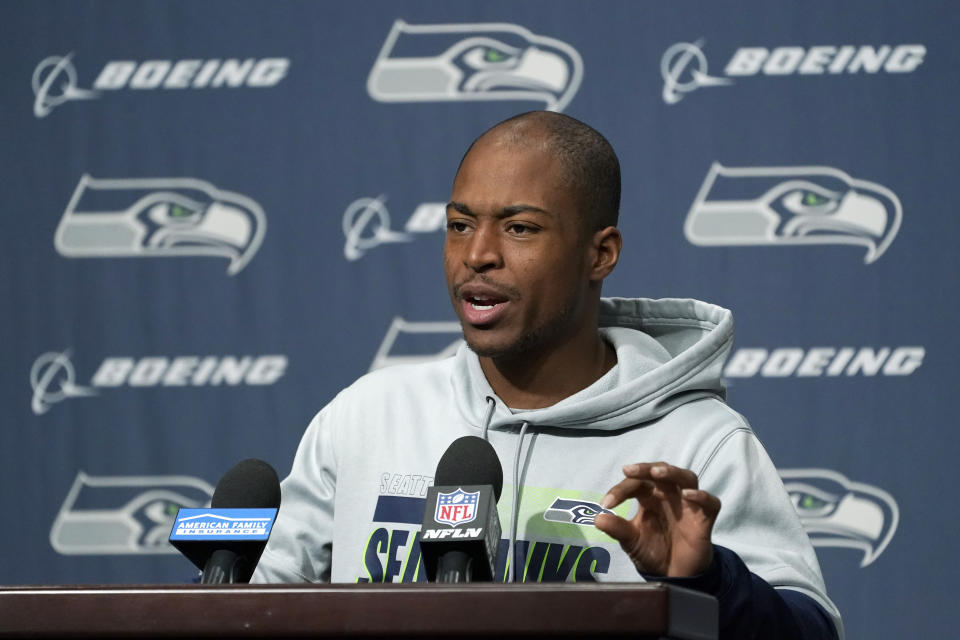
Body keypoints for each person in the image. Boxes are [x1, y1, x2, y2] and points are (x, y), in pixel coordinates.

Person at [252, 111, 843, 639]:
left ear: (600, 254)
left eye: (520, 228)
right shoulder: (366, 415)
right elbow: (253, 603)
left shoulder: (700, 445)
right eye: (459, 225)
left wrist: (710, 581)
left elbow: (811, 629)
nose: (477, 253)